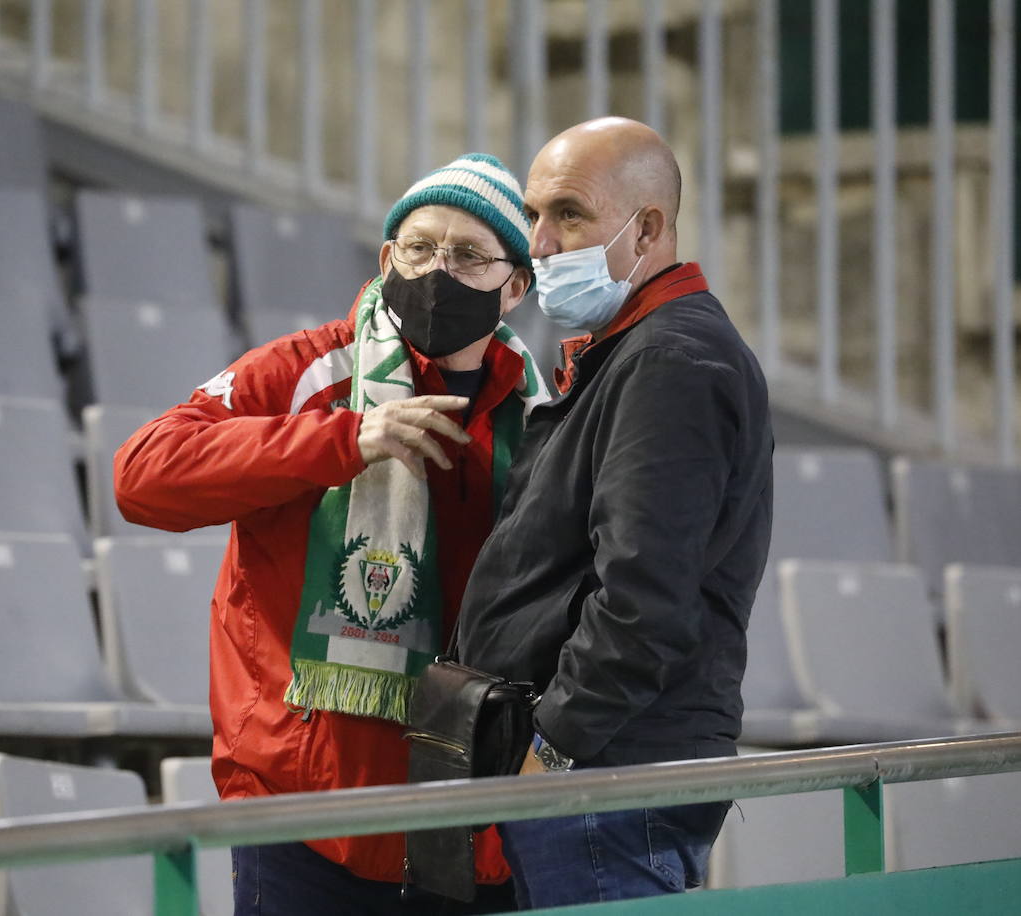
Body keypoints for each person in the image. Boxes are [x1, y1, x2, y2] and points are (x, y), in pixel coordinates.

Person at [114, 154, 553, 914]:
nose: (436, 272)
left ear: (516, 287)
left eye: (469, 255)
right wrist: (343, 439)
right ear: (387, 260)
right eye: (418, 249)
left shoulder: (544, 416)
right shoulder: (306, 371)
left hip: (472, 824)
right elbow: (144, 475)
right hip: (303, 814)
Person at [457, 117, 774, 908]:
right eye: (533, 215)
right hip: (600, 771)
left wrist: (551, 752)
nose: (540, 240)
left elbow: (642, 598)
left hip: (605, 776)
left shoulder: (670, 360)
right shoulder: (631, 352)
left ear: (649, 227)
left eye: (567, 213)